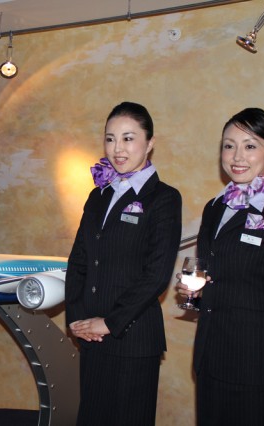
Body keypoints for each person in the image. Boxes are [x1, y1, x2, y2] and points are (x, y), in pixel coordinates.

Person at [176, 108, 264, 425]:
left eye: (250, 145)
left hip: (256, 365)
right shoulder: (215, 207)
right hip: (209, 359)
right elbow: (214, 276)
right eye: (228, 145)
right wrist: (195, 294)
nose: (237, 156)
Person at [65, 102, 182, 426]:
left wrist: (111, 321)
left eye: (128, 138)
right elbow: (79, 260)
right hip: (91, 333)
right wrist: (76, 317)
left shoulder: (164, 198)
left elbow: (156, 276)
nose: (118, 148)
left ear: (150, 143)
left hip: (132, 335)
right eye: (110, 139)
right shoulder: (98, 195)